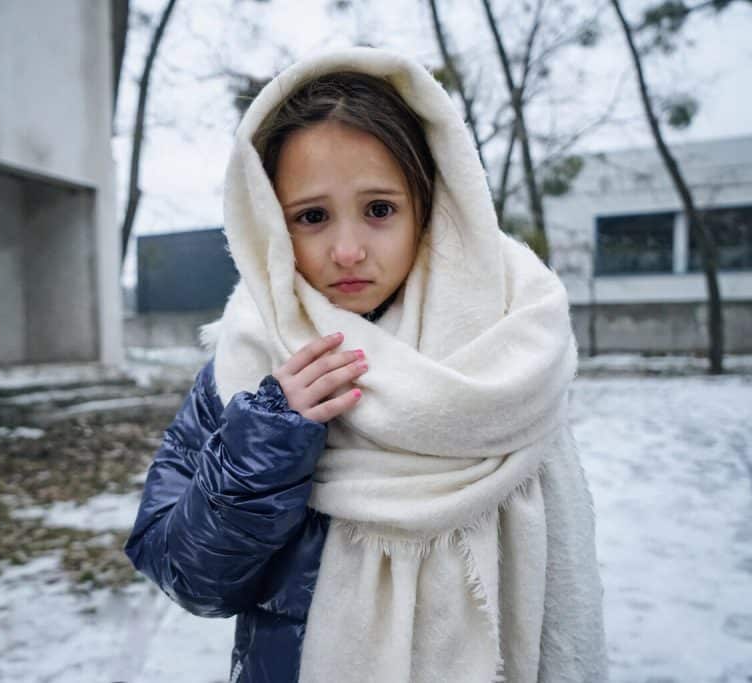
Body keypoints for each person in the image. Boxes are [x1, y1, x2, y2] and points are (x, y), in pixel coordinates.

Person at [125, 47, 607, 683]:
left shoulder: (511, 347)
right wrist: (266, 439)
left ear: (429, 205)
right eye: (312, 217)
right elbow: (189, 576)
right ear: (270, 221)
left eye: (379, 209)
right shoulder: (251, 360)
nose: (347, 250)